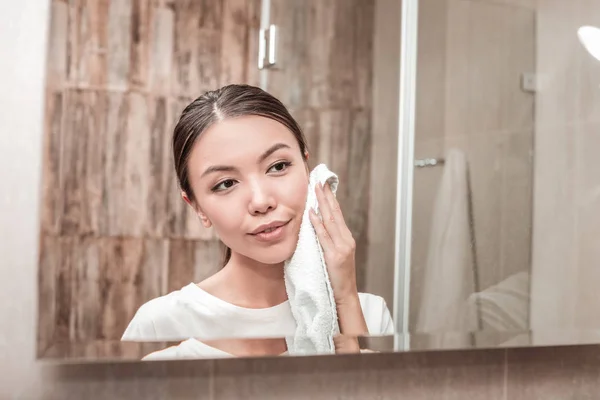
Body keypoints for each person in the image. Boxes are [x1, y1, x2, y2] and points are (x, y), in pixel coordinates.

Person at [122, 84, 393, 358]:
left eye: (278, 166)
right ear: (197, 207)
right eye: (226, 183)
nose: (261, 201)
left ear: (307, 169)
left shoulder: (368, 313)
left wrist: (345, 298)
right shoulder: (160, 324)